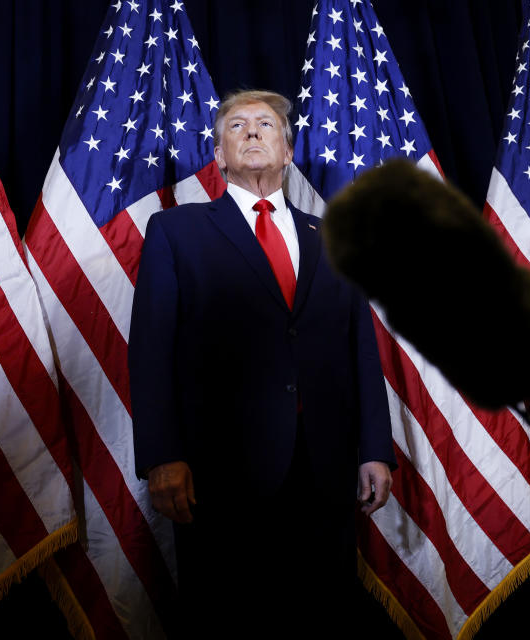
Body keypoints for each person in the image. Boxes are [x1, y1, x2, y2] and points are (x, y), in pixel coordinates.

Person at [128, 89, 396, 636]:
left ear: (288, 150)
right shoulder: (176, 231)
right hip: (218, 473)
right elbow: (151, 349)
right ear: (220, 155)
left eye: (267, 125)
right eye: (238, 125)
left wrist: (374, 449)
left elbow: (359, 350)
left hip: (323, 469)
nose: (252, 132)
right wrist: (162, 455)